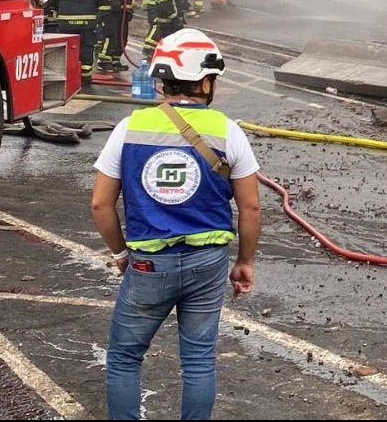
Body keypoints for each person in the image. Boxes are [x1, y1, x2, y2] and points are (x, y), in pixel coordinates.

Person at [90, 28, 261, 420]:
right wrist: (245, 261)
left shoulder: (129, 128)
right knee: (199, 360)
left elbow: (101, 204)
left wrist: (120, 254)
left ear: (162, 78)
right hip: (208, 261)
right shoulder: (227, 130)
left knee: (124, 358)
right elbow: (250, 209)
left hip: (150, 263)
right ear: (204, 80)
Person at [43, 0, 111, 87]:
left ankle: (66, 77)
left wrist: (57, 7)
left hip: (66, 23)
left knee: (67, 50)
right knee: (86, 49)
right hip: (87, 23)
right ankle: (85, 79)